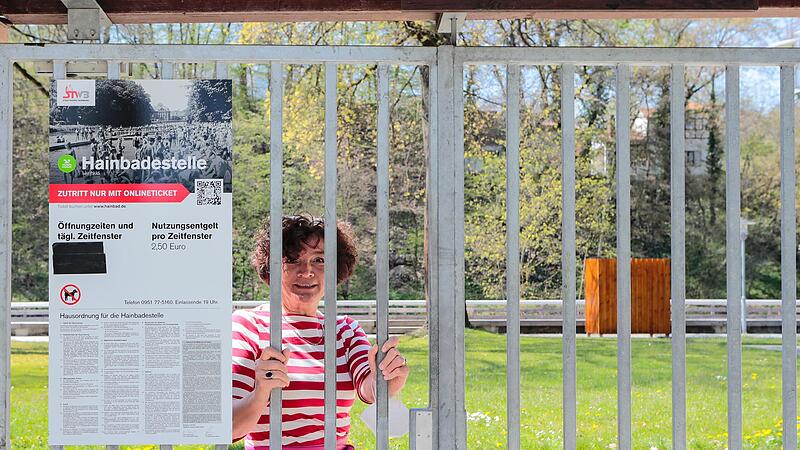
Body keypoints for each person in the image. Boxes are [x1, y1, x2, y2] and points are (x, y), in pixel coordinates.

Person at [232, 215, 410, 449]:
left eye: (319, 260)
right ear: (272, 268)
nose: (306, 271)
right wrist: (260, 393)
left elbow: (369, 389)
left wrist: (388, 379)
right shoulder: (248, 325)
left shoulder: (344, 330)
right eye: (293, 260)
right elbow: (227, 429)